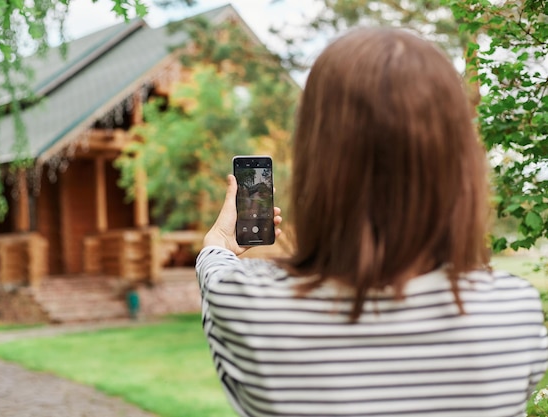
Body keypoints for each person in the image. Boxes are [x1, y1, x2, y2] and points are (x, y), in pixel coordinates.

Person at [196, 27, 547, 417]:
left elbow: (215, 269)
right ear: (456, 161)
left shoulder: (246, 304)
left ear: (317, 158)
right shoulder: (513, 312)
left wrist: (220, 242)